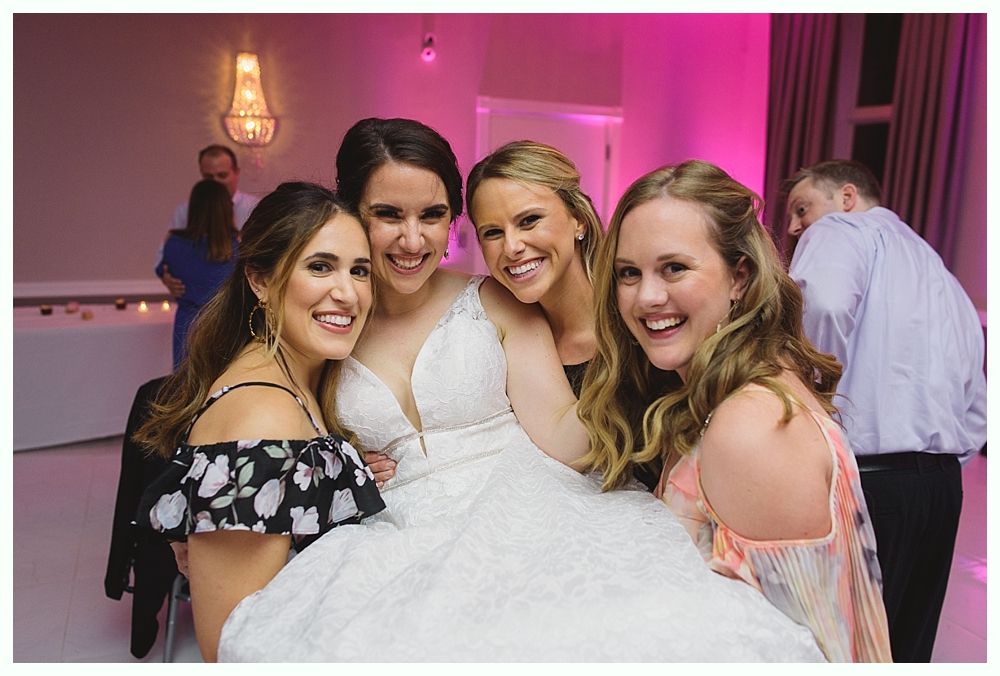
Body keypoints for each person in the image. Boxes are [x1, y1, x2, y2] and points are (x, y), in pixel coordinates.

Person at [215, 120, 826, 662]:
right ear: (352, 213)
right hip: (393, 534)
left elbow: (569, 433)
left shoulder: (493, 300)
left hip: (519, 502)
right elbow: (290, 415)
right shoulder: (334, 317)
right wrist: (333, 470)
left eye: (431, 216)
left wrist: (691, 429)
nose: (411, 240)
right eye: (387, 215)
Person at [578, 159, 892, 662]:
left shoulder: (752, 426)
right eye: (629, 274)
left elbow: (795, 650)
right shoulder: (730, 391)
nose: (647, 297)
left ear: (739, 277)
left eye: (674, 268)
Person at [133, 182, 385, 662]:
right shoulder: (260, 418)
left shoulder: (295, 378)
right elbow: (230, 643)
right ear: (260, 281)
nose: (348, 293)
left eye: (359, 271)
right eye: (319, 267)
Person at [783, 159, 986, 662]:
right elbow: (978, 407)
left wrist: (811, 401)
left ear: (846, 197)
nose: (793, 227)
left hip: (869, 482)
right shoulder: (941, 272)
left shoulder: (842, 229)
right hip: (941, 488)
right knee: (906, 648)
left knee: (842, 646)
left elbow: (824, 304)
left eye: (802, 209)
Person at [466, 139, 662, 489]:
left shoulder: (641, 316)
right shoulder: (502, 340)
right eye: (493, 232)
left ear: (578, 221)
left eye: (529, 220)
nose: (511, 247)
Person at [156, 179, 239, 368]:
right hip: (223, 325)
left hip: (187, 326)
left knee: (186, 387)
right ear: (226, 209)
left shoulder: (175, 243)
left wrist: (165, 275)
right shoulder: (235, 249)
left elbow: (162, 268)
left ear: (193, 209)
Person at [160, 144, 261, 298]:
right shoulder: (184, 212)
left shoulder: (255, 208)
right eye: (209, 177)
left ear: (236, 173)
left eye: (222, 175)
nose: (215, 183)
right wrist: (167, 278)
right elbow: (164, 262)